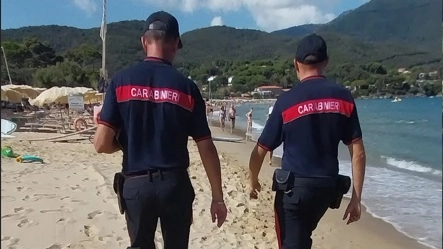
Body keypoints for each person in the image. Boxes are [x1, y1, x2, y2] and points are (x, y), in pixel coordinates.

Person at [93, 11, 227, 249]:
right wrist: (217, 197)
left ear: (144, 41)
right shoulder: (187, 88)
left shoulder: (121, 82)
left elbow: (101, 144)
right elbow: (206, 147)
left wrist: (122, 141)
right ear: (175, 44)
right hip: (174, 185)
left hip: (136, 184)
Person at [248, 33, 366, 249]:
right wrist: (356, 198)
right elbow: (357, 152)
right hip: (328, 188)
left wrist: (253, 179)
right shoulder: (344, 98)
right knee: (303, 237)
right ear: (326, 62)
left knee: (291, 242)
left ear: (296, 64)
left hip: (295, 190)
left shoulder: (286, 101)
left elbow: (261, 148)